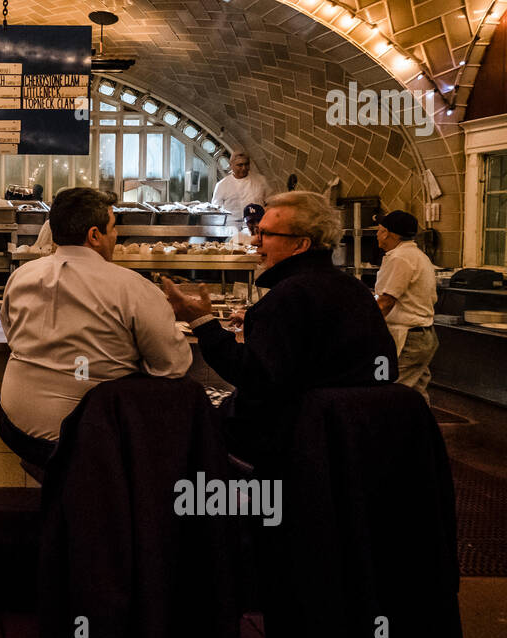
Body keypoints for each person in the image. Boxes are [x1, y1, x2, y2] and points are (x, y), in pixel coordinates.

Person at [161, 191, 397, 460]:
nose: (254, 241)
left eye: (265, 234)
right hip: (354, 437)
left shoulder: (290, 294)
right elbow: (379, 365)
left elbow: (254, 376)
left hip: (291, 444)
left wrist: (202, 322)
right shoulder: (354, 289)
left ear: (301, 244)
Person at [0, 187, 192, 466]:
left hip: (13, 426)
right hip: (88, 437)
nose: (116, 235)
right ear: (94, 235)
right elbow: (173, 366)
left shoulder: (21, 276)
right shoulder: (133, 287)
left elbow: (10, 333)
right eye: (113, 227)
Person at [374, 210, 438, 403]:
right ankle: (423, 432)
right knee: (415, 395)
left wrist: (362, 327)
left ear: (388, 233)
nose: (377, 234)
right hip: (422, 336)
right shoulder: (416, 255)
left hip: (409, 339)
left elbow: (386, 301)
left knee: (390, 394)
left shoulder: (400, 258)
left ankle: (391, 433)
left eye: (379, 229)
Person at [211, 152, 270, 227]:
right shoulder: (222, 185)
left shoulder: (261, 180)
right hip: (231, 227)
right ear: (231, 166)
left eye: (246, 164)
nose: (244, 168)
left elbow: (270, 202)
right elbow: (216, 211)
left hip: (257, 225)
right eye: (240, 165)